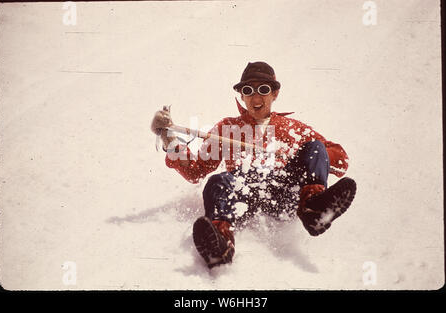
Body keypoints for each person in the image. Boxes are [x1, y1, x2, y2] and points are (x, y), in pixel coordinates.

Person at [151, 61, 356, 269]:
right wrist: (169, 139)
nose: (256, 98)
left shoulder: (292, 129)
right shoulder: (227, 128)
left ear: (275, 94)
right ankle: (220, 244)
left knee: (315, 146)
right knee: (217, 181)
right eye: (248, 91)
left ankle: (314, 210)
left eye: (263, 90)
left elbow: (340, 160)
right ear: (241, 95)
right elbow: (196, 171)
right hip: (244, 195)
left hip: (282, 193)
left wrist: (293, 152)